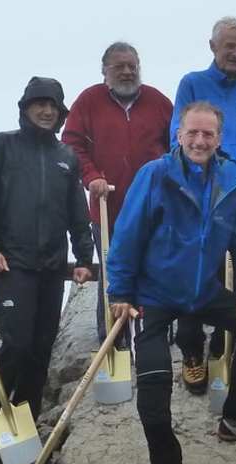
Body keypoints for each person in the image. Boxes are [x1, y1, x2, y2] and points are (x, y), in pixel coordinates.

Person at [108, 102, 236, 464]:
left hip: (204, 292)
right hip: (153, 297)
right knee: (154, 381)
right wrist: (120, 293)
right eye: (193, 133)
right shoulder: (154, 176)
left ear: (219, 139)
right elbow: (126, 237)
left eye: (208, 135)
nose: (200, 141)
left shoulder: (232, 181)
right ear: (179, 135)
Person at [0, 77, 96, 464]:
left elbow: (77, 212)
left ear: (60, 113)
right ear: (24, 108)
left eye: (53, 105)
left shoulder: (66, 157)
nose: (46, 110)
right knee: (17, 345)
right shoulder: (2, 146)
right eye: (39, 104)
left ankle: (24, 426)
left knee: (40, 352)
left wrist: (84, 258)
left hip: (52, 269)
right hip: (11, 265)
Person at [168, 17, 236, 395]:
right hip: (194, 189)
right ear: (213, 46)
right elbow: (178, 135)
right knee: (195, 267)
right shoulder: (193, 83)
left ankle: (226, 341)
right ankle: (191, 350)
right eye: (229, 45)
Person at [62, 41, 173, 347]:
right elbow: (71, 143)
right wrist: (91, 176)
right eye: (119, 66)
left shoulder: (158, 101)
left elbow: (177, 145)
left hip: (153, 208)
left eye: (132, 66)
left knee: (152, 270)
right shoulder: (89, 100)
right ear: (104, 71)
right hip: (107, 206)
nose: (126, 72)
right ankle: (112, 340)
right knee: (113, 275)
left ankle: (153, 336)